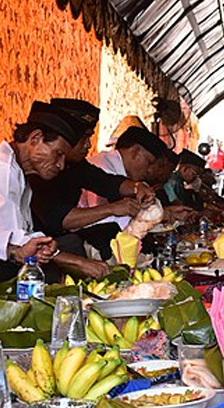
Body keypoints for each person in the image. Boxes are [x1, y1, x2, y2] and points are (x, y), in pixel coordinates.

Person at [29, 98, 152, 276]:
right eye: (84, 138)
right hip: (40, 251)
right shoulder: (38, 170)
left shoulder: (76, 165)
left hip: (59, 244)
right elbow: (59, 218)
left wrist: (137, 187)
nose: (88, 145)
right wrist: (112, 209)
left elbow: (107, 182)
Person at [0, 101, 82, 264]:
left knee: (71, 243)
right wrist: (76, 262)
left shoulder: (18, 172)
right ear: (35, 138)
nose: (61, 165)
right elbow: (7, 244)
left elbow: (23, 234)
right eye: (58, 154)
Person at [80, 124, 170, 230]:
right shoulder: (103, 165)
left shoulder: (122, 174)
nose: (149, 170)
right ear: (135, 151)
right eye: (149, 162)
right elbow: (107, 222)